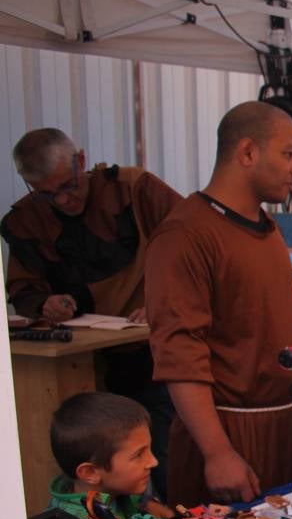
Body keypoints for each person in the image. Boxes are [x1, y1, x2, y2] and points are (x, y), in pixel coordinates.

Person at [145, 102, 292, 507]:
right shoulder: (186, 235)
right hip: (233, 440)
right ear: (248, 152)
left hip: (288, 428)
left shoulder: (267, 229)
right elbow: (180, 355)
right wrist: (217, 453)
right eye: (289, 154)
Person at [5, 128, 182, 497]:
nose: (63, 200)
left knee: (158, 455)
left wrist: (162, 299)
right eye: (48, 194)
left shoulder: (132, 188)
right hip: (82, 366)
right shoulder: (29, 218)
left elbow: (192, 244)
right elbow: (23, 288)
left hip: (152, 353)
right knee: (99, 465)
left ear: (81, 161)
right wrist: (44, 304)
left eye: (69, 185)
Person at [48, 392, 174, 519]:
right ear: (91, 472)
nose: (153, 462)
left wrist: (145, 505)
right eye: (139, 455)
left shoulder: (116, 490)